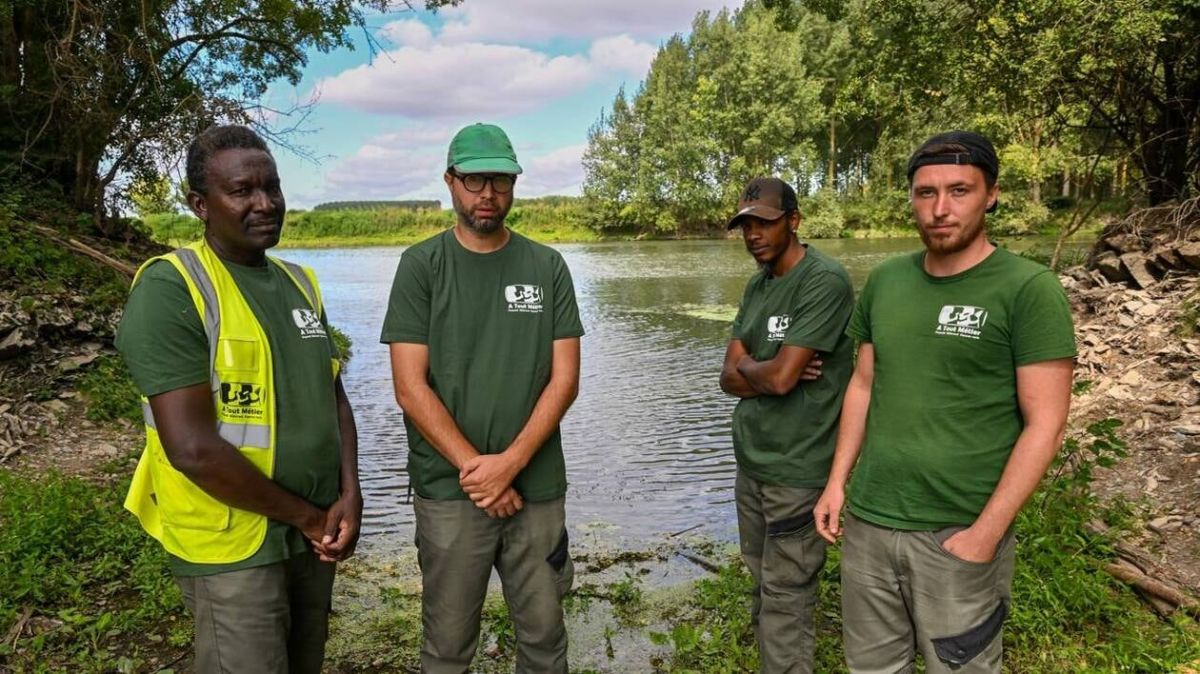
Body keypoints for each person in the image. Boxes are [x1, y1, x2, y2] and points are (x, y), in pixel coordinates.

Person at [813, 131, 1077, 673]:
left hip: (958, 529)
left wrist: (985, 534)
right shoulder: (887, 281)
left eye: (959, 191)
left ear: (992, 195)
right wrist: (837, 482)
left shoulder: (1028, 289)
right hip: (869, 525)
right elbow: (862, 385)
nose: (939, 209)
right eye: (925, 193)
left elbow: (1046, 426)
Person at [117, 125, 361, 673]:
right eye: (243, 190)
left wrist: (350, 490)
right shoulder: (173, 288)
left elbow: (334, 399)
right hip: (232, 543)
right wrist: (306, 516)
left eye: (272, 187)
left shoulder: (301, 284)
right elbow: (192, 449)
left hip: (311, 533)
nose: (265, 203)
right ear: (200, 204)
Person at [381, 123, 583, 674]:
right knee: (447, 647)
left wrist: (511, 465)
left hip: (536, 489)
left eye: (500, 179)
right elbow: (409, 386)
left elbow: (564, 380)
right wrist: (479, 472)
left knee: (545, 641)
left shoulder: (547, 267)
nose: (487, 193)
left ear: (514, 183)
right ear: (450, 181)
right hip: (451, 491)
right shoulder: (421, 266)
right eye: (474, 180)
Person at [719, 177, 855, 673]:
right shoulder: (758, 285)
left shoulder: (824, 281)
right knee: (761, 583)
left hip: (798, 469)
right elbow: (728, 378)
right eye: (746, 225)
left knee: (786, 596)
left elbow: (776, 380)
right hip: (752, 464)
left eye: (766, 222)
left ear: (793, 221)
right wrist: (769, 369)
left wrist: (762, 369)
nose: (754, 234)